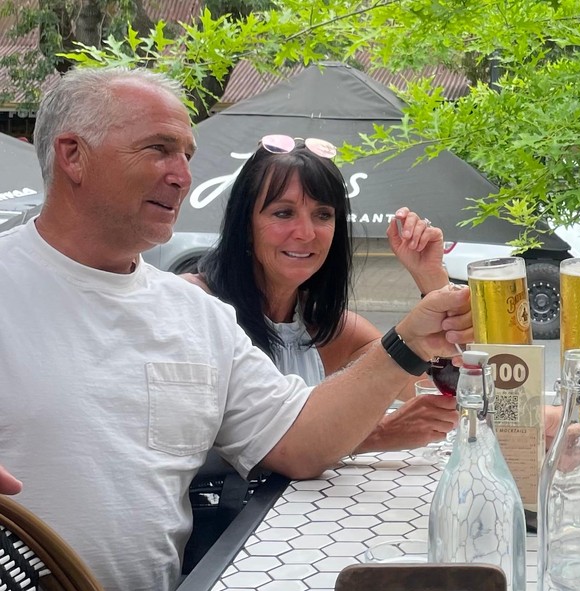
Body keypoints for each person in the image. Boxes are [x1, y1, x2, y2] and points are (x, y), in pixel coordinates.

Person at [0, 67, 471, 591]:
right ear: (73, 155)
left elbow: (299, 443)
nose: (183, 175)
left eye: (187, 154)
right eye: (158, 149)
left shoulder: (195, 315)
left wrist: (409, 341)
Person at [183, 138, 456, 451]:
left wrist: (430, 277)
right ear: (245, 223)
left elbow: (448, 394)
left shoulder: (331, 330)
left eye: (323, 214)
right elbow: (211, 446)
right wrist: (376, 434)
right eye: (283, 213)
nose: (306, 233)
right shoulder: (193, 306)